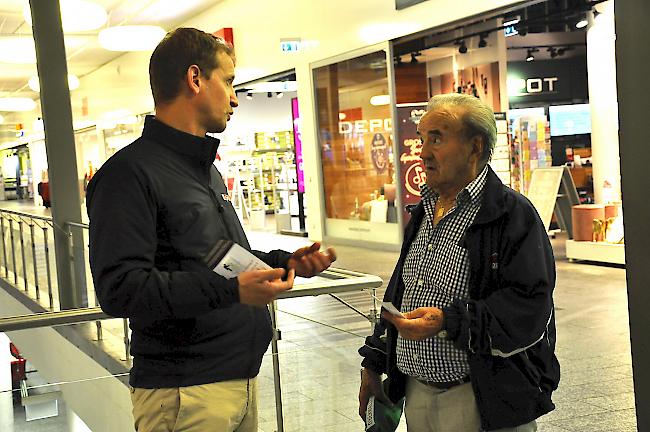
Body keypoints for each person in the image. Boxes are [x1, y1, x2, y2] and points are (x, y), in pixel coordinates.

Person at [87, 28, 336, 432]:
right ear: (195, 79)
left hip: (235, 379)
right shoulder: (128, 174)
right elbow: (121, 289)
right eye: (230, 81)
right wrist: (233, 291)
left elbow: (216, 258)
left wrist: (282, 263)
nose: (236, 97)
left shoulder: (203, 170)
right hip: (185, 394)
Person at [358, 93, 559, 431]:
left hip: (481, 396)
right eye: (422, 138)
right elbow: (403, 290)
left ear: (475, 146)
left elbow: (529, 307)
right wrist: (374, 362)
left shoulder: (511, 214)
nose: (422, 152)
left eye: (436, 138)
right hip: (416, 394)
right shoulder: (424, 209)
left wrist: (448, 320)